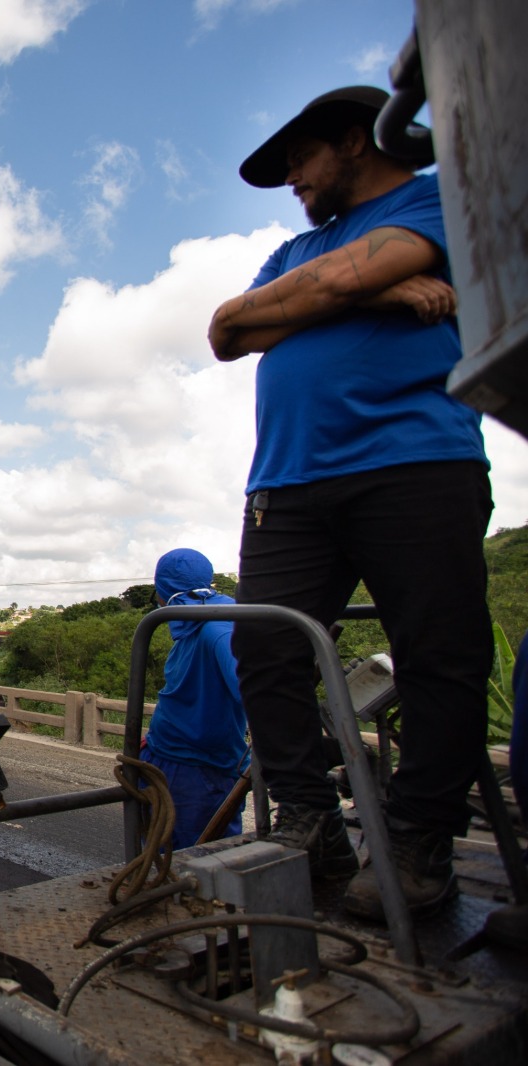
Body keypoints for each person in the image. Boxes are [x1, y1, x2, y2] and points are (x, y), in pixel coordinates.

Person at [209, 86, 492, 922]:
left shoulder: (438, 202)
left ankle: (416, 841)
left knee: (440, 655)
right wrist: (377, 290)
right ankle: (308, 821)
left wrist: (312, 297)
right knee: (265, 651)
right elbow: (226, 331)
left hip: (416, 463)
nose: (292, 176)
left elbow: (287, 305)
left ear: (356, 142)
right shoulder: (297, 245)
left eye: (301, 156)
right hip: (287, 482)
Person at [141, 549, 249, 851]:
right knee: (159, 849)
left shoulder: (216, 629)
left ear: (162, 589)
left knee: (194, 859)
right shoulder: (191, 622)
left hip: (198, 768)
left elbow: (248, 688)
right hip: (165, 755)